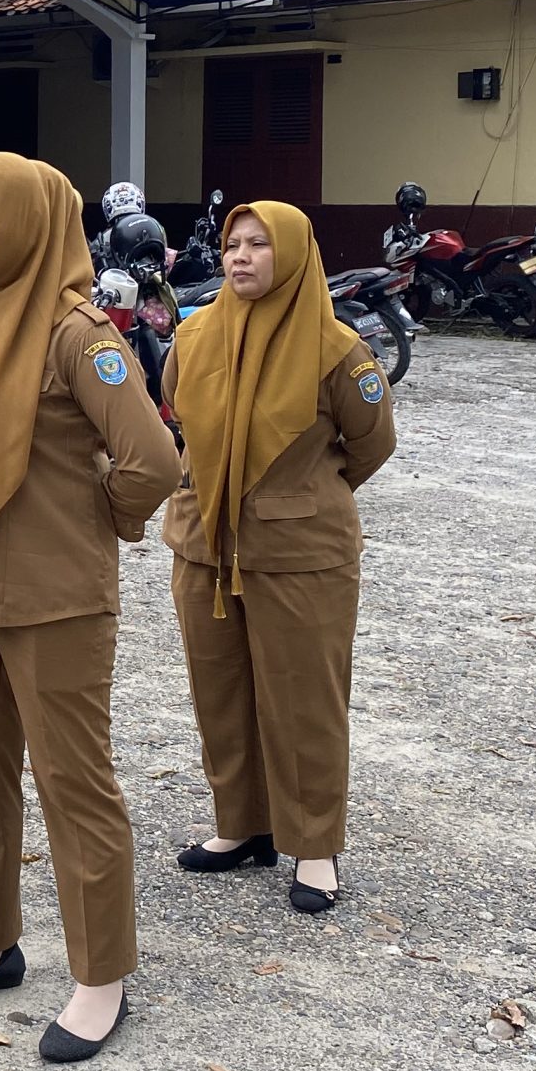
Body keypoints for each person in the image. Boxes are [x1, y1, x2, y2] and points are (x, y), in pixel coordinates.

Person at [0, 154, 182, 1061]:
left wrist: (92, 518)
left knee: (73, 783)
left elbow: (154, 460)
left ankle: (102, 976)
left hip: (53, 598)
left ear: (29, 224)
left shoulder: (77, 333)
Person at [164, 200, 395, 913]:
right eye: (232, 244)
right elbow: (176, 409)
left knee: (303, 701)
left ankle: (315, 844)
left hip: (301, 556)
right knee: (220, 693)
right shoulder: (193, 334)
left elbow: (372, 441)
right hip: (205, 546)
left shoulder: (336, 349)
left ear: (293, 254)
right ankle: (244, 826)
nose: (240, 256)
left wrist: (304, 495)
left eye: (259, 245)